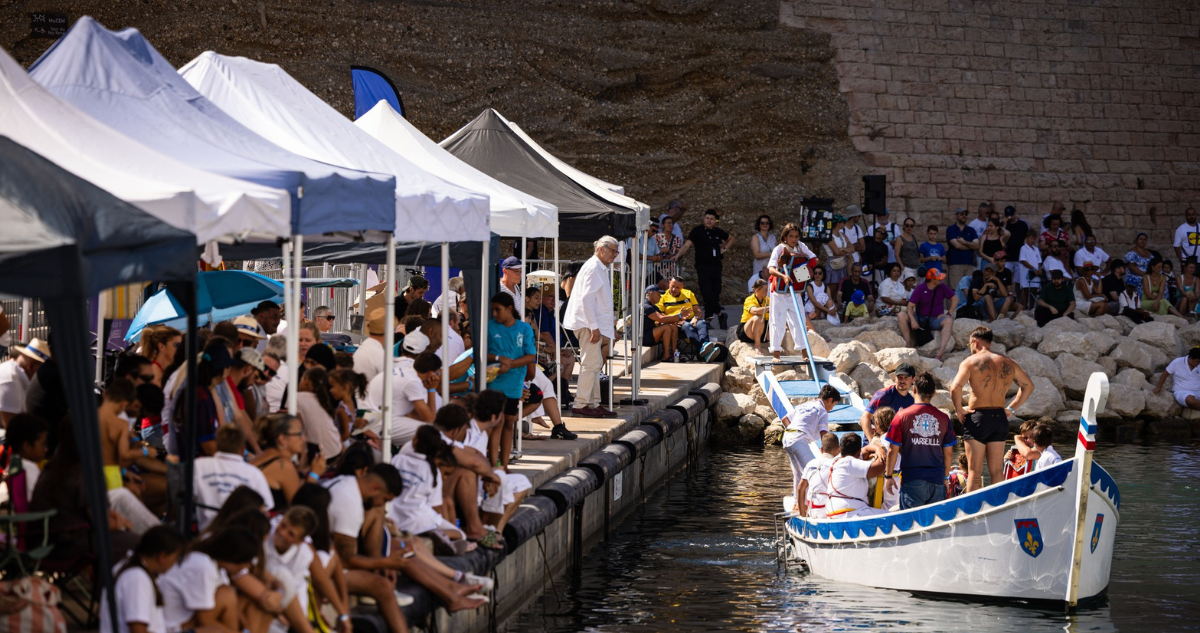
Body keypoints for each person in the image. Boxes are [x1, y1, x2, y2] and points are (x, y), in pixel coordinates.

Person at [949, 326, 1036, 492]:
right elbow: (1028, 386)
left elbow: (955, 388)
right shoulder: (1009, 362)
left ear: (975, 342)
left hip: (978, 417)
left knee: (974, 471)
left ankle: (972, 513)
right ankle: (997, 507)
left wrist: (959, 409)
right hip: (999, 417)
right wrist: (1011, 408)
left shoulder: (970, 362)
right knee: (997, 471)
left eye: (969, 345)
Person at [564, 236, 620, 419]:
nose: (615, 255)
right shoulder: (593, 267)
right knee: (590, 364)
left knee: (595, 364)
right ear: (601, 249)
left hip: (590, 323)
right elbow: (586, 299)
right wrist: (594, 327)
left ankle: (593, 402)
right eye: (612, 250)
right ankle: (581, 403)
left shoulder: (597, 267)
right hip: (587, 323)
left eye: (616, 251)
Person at [883, 372, 956, 509]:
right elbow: (948, 453)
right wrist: (946, 478)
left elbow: (892, 451)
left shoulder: (901, 416)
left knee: (911, 523)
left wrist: (888, 476)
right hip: (937, 480)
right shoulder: (943, 418)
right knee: (935, 524)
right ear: (933, 394)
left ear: (914, 390)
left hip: (912, 480)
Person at [99, 526, 188, 633]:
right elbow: (138, 630)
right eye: (176, 559)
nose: (175, 564)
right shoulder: (137, 579)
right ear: (162, 556)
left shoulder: (130, 566)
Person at [484, 292, 539, 463]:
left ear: (509, 309)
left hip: (514, 381)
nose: (494, 314)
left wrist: (511, 364)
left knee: (508, 422)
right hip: (494, 381)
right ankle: (493, 461)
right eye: (493, 310)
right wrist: (499, 360)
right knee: (496, 422)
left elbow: (530, 355)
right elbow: (482, 353)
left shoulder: (524, 328)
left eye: (497, 310)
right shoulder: (490, 327)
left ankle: (504, 463)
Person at [365, 330, 439, 448]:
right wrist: (432, 389)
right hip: (376, 420)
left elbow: (413, 413)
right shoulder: (412, 379)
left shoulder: (395, 366)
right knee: (430, 432)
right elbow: (430, 420)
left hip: (371, 416)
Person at [194, 424, 275, 530]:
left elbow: (182, 497)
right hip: (242, 537)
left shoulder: (198, 465)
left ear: (217, 445)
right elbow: (266, 507)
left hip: (205, 533)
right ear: (243, 449)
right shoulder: (254, 473)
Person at [673, 209, 735, 328]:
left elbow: (731, 238)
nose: (709, 221)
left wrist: (724, 249)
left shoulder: (717, 231)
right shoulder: (697, 231)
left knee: (715, 293)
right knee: (707, 294)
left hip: (716, 265)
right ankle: (721, 314)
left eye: (712, 219)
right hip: (703, 266)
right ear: (704, 219)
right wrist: (677, 255)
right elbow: (687, 245)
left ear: (715, 221)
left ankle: (707, 321)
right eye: (707, 218)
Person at [767, 223, 817, 361]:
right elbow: (771, 269)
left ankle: (804, 353)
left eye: (796, 236)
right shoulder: (779, 248)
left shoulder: (801, 246)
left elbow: (813, 259)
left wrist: (804, 269)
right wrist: (783, 275)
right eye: (791, 236)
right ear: (785, 236)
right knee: (777, 321)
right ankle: (776, 353)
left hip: (795, 290)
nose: (794, 239)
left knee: (799, 321)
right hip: (779, 292)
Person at [781, 384, 838, 497]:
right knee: (813, 472)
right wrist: (829, 453)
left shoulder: (805, 405)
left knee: (798, 473)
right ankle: (812, 502)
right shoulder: (822, 411)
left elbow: (785, 419)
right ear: (830, 400)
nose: (832, 408)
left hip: (787, 438)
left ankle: (797, 502)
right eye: (834, 405)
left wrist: (793, 434)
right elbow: (824, 434)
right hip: (798, 439)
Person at [898, 269, 957, 361]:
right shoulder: (920, 289)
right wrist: (913, 320)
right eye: (939, 278)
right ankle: (908, 345)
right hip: (920, 318)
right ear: (933, 280)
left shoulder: (942, 287)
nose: (941, 280)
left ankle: (940, 352)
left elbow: (955, 299)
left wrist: (949, 314)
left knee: (949, 321)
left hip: (935, 319)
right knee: (901, 315)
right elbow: (910, 307)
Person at [825, 434, 888, 518]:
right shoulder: (849, 463)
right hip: (848, 512)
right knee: (892, 516)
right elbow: (879, 468)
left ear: (840, 449)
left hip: (836, 511)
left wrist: (877, 449)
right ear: (858, 452)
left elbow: (866, 449)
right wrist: (882, 454)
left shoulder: (837, 460)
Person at [295, 367, 342, 462]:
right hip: (336, 450)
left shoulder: (296, 397)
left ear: (306, 380)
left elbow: (296, 428)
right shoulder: (322, 400)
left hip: (320, 455)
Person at [860, 364, 915, 440]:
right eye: (899, 378)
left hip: (894, 445)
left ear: (913, 379)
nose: (902, 381)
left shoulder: (911, 401)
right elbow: (865, 417)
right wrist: (871, 441)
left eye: (906, 378)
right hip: (876, 443)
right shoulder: (883, 395)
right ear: (895, 378)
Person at [0, 338, 49, 425]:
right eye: (42, 368)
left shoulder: (15, 375)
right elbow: (12, 427)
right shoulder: (10, 380)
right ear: (31, 365)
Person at [4, 413, 48, 502]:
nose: (46, 449)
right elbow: (39, 500)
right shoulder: (28, 468)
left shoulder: (14, 464)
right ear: (26, 446)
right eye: (42, 445)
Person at [794, 433, 839, 516]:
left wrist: (802, 513)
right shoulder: (837, 465)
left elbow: (800, 488)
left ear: (821, 449)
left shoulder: (810, 464)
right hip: (831, 510)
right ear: (839, 450)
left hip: (813, 510)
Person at [657, 276, 708, 346]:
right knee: (687, 325)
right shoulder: (662, 297)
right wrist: (677, 318)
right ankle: (702, 348)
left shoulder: (688, 294)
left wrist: (695, 318)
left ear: (682, 287)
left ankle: (705, 345)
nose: (674, 289)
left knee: (702, 323)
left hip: (692, 320)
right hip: (676, 323)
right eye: (672, 286)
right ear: (669, 284)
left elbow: (697, 310)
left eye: (677, 287)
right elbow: (661, 315)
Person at [1154, 347, 1200, 411]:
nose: (1198, 363)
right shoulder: (1178, 362)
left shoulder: (1198, 365)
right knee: (1190, 400)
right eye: (1197, 361)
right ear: (1191, 358)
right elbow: (1165, 374)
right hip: (1182, 391)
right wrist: (1158, 387)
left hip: (1198, 391)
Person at [946, 207, 979, 290]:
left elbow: (977, 246)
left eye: (965, 214)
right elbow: (957, 245)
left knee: (968, 290)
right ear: (956, 216)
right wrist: (971, 246)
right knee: (955, 289)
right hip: (955, 264)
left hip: (969, 265)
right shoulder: (951, 229)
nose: (964, 216)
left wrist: (964, 242)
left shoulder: (971, 230)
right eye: (961, 214)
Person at [736, 280, 769, 354]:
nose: (767, 292)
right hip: (747, 331)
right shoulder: (749, 300)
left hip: (762, 330)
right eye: (765, 290)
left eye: (767, 290)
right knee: (758, 318)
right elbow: (755, 311)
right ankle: (757, 345)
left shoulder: (767, 300)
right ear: (757, 290)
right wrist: (770, 307)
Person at [823, 215, 852, 289]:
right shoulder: (829, 236)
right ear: (837, 223)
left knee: (841, 288)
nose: (845, 223)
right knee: (833, 288)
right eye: (843, 222)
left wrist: (843, 250)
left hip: (843, 264)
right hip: (833, 264)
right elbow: (836, 252)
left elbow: (852, 248)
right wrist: (847, 252)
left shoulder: (842, 235)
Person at [1018, 229, 1043, 307]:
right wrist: (1033, 269)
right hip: (1026, 273)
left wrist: (1039, 269)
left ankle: (1031, 308)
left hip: (1035, 273)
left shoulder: (1036, 249)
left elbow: (1039, 261)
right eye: (1031, 238)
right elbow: (1023, 260)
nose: (1033, 240)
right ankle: (1024, 307)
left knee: (1034, 290)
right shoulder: (1023, 248)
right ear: (1027, 238)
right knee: (1025, 290)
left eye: (1034, 238)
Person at [750, 214, 777, 280]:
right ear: (759, 225)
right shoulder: (756, 237)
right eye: (762, 223)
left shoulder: (773, 237)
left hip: (771, 269)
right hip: (760, 269)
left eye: (767, 223)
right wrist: (771, 254)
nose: (765, 225)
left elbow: (778, 251)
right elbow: (756, 255)